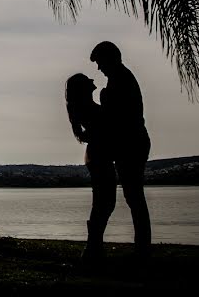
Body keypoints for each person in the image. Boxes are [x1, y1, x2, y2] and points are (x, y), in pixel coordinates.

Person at [91, 41, 152, 259]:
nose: (98, 68)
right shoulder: (119, 79)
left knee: (134, 196)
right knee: (134, 196)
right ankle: (142, 247)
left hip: (132, 144)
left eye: (99, 62)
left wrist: (104, 99)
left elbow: (116, 117)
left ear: (110, 58)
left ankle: (143, 248)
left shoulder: (121, 80)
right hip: (131, 143)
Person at [65, 73, 116, 262]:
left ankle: (94, 246)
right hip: (99, 157)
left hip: (97, 157)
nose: (93, 81)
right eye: (88, 80)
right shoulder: (88, 109)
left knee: (103, 203)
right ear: (82, 88)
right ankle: (93, 247)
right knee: (104, 203)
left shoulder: (86, 108)